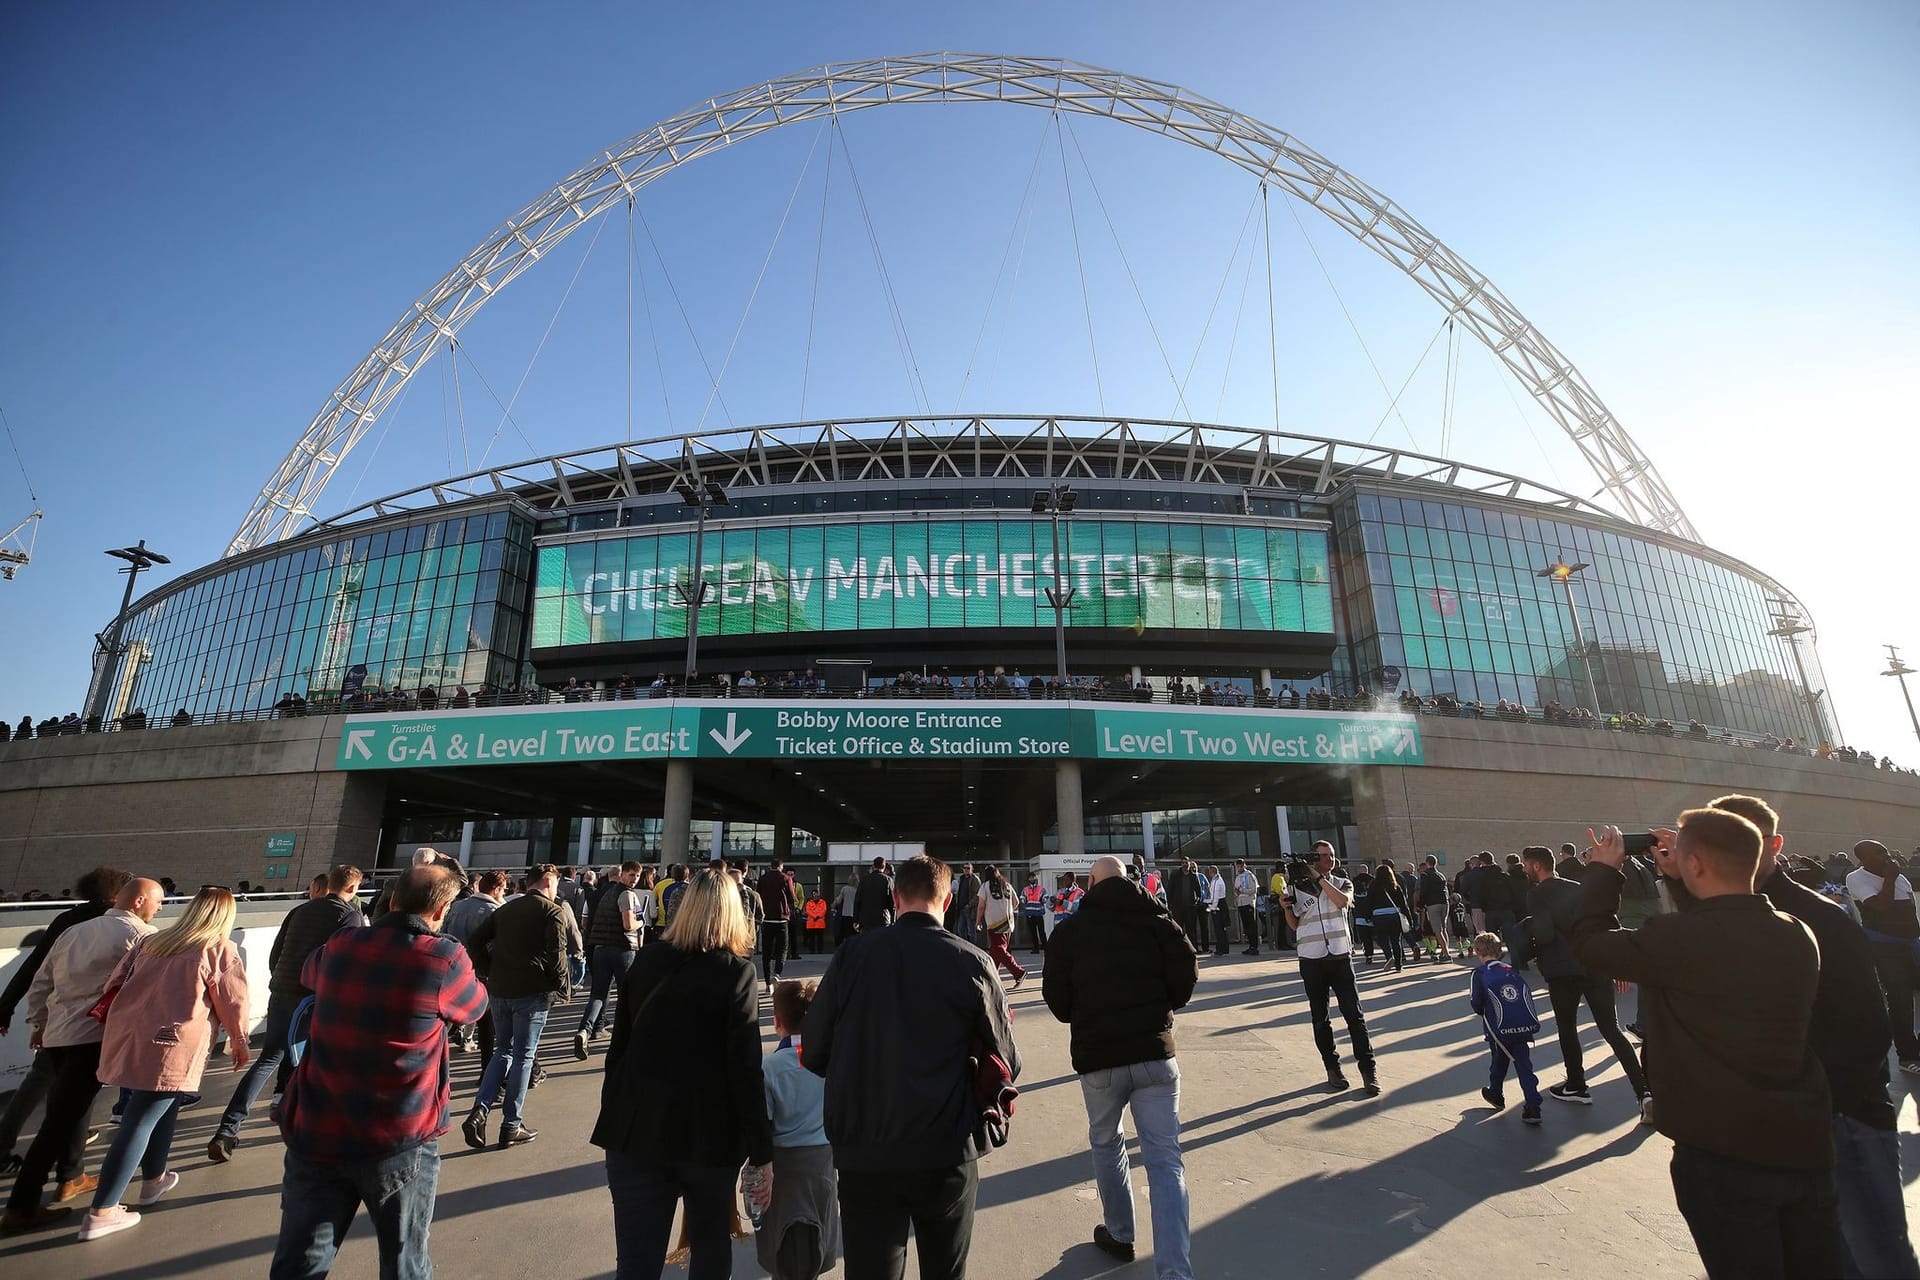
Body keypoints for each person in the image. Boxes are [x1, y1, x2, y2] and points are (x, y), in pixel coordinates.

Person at [1572, 813, 1844, 1279]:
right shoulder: (1796, 932)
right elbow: (1718, 931)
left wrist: (1603, 871)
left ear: (1694, 864)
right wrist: (1681, 882)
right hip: (1802, 1141)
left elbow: (1590, 943)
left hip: (1723, 1153)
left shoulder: (1677, 940)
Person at [1710, 796, 1920, 1279]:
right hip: (1777, 1129)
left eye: (1747, 841)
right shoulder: (1727, 917)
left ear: (1775, 845)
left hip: (1839, 1121)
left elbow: (1866, 1027)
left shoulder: (1818, 916)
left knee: (1873, 1259)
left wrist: (1818, 1107)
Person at [802, 855, 1020, 1280]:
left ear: (896, 897)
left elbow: (813, 1051)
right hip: (947, 1145)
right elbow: (1007, 1058)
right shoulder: (973, 961)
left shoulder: (852, 956)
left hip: (866, 1147)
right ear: (949, 898)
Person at [269, 864, 488, 1279]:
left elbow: (308, 973)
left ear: (390, 899)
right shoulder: (443, 957)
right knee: (404, 1260)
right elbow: (474, 1006)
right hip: (398, 1131)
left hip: (318, 1124)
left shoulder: (342, 942)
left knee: (299, 1261)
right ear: (442, 910)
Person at [590, 869, 772, 1280]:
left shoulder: (647, 961)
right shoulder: (736, 973)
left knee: (636, 1261)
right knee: (709, 1247)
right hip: (709, 1137)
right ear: (734, 915)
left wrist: (615, 1111)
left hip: (636, 1131)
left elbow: (618, 1051)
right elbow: (746, 1071)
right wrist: (762, 1152)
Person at [1042, 856, 1199, 1277]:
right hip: (1154, 1053)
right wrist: (1165, 1007)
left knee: (1107, 1143)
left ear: (1090, 882)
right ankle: (1174, 1271)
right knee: (1165, 1161)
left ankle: (1120, 1233)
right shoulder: (1155, 918)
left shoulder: (1071, 931)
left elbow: (1056, 998)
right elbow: (1186, 968)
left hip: (1099, 1058)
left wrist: (1084, 1013)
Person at [82, 887, 251, 1240]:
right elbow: (232, 1001)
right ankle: (103, 1210)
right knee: (140, 1119)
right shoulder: (219, 948)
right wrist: (239, 1039)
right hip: (172, 1041)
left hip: (130, 1034)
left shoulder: (155, 941)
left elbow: (115, 983)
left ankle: (153, 1181)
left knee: (163, 1105)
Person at [2, 877, 163, 1233]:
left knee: (74, 1109)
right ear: (138, 901)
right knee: (57, 1122)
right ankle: (21, 1205)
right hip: (93, 1037)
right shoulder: (140, 938)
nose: (160, 908)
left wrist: (39, 1022)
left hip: (58, 1034)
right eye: (158, 902)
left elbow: (43, 980)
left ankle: (70, 1176)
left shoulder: (74, 931)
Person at [211, 864, 366, 1162]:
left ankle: (227, 1129)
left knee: (269, 1057)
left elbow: (276, 952)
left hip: (283, 990)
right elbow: (350, 961)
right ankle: (308, 1127)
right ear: (353, 889)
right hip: (317, 997)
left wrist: (281, 980)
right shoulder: (350, 915)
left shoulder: (299, 911)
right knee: (319, 1061)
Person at [0, 865, 131, 1185]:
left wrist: (8, 1008)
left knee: (47, 1083)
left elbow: (34, 969)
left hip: (57, 1017)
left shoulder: (66, 920)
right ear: (116, 895)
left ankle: (63, 1157)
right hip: (89, 1023)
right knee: (73, 1091)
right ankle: (64, 1170)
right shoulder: (118, 926)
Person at [1519, 845, 1649, 1114]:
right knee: (1611, 1029)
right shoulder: (1576, 887)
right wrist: (1616, 964)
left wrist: (1528, 942)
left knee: (1567, 1028)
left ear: (1536, 866)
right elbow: (1602, 922)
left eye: (1525, 864)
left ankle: (1577, 1085)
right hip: (1594, 962)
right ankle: (1643, 1091)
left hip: (1561, 969)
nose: (1523, 869)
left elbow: (1543, 933)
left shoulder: (1537, 894)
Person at [464, 862, 582, 1149]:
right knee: (523, 1056)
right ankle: (511, 1124)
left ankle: (480, 1109)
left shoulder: (504, 909)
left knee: (502, 1050)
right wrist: (563, 987)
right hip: (532, 991)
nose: (556, 890)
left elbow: (476, 940)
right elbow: (557, 953)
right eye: (554, 884)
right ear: (545, 881)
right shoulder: (551, 911)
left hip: (500, 988)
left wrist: (489, 968)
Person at [758, 979, 841, 1280]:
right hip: (822, 1165)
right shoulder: (832, 1062)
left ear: (777, 1021)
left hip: (782, 1169)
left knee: (783, 1249)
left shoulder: (770, 1068)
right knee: (814, 1247)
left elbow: (762, 1122)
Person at [1281, 842, 1378, 1095]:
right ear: (1314, 858)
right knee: (1320, 1017)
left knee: (1354, 1015)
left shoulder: (1342, 882)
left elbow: (1342, 902)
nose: (1329, 859)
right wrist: (1285, 908)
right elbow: (1294, 925)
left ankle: (1368, 1071)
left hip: (1339, 956)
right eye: (1323, 856)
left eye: (1332, 855)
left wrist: (1319, 878)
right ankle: (1332, 1069)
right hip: (1312, 960)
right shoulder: (1299, 888)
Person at [1844, 840, 1920, 1073]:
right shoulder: (1857, 878)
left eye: (1885, 850)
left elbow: (1910, 910)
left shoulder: (1898, 877)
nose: (1885, 855)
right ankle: (1908, 1056)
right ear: (1863, 858)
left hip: (1911, 944)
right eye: (1878, 853)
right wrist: (1889, 878)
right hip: (1885, 947)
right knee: (1900, 1000)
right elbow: (1881, 907)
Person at [574, 861, 646, 1060]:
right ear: (622, 874)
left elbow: (587, 921)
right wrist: (641, 921)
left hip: (600, 948)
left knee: (598, 994)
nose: (634, 879)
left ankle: (584, 1031)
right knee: (627, 993)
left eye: (637, 876)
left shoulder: (605, 893)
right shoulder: (627, 895)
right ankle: (627, 1035)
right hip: (622, 949)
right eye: (632, 875)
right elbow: (628, 924)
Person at [1468, 932, 1542, 1125]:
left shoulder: (1480, 974)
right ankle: (1532, 1104)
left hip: (1497, 1028)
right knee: (1523, 1065)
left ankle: (1498, 1094)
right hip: (1520, 1025)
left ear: (1478, 952)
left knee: (1499, 1059)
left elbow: (1476, 1003)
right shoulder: (1511, 970)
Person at [443, 870, 506, 1059]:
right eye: (503, 890)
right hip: (481, 972)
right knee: (486, 1024)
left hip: (453, 968)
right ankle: (486, 1070)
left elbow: (444, 932)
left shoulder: (458, 906)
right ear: (496, 890)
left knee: (448, 1020)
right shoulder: (494, 911)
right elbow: (495, 946)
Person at [974, 866, 1025, 988]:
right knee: (996, 951)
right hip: (1008, 922)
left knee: (998, 949)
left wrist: (978, 921)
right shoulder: (1006, 885)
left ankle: (1018, 972)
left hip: (994, 923)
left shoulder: (985, 886)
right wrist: (1007, 910)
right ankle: (992, 977)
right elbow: (1016, 902)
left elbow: (981, 906)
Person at [757, 856, 798, 988]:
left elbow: (758, 896)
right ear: (781, 867)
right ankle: (777, 974)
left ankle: (768, 983)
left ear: (770, 866)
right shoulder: (786, 878)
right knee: (782, 949)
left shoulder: (763, 879)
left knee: (767, 952)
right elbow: (792, 898)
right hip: (781, 919)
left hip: (767, 918)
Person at [1363, 862, 1411, 972]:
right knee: (1396, 940)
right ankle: (1399, 965)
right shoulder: (1395, 886)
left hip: (1379, 915)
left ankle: (1389, 956)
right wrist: (1409, 918)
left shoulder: (1373, 886)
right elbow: (1403, 904)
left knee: (1382, 938)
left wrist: (1367, 915)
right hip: (1394, 914)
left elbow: (1368, 902)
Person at [1414, 856, 1454, 960]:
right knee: (1443, 928)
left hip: (1433, 904)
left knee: (1437, 930)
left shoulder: (1425, 875)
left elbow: (1424, 891)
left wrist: (1420, 905)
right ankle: (1444, 951)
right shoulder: (1441, 875)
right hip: (1444, 903)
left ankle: (1446, 953)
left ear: (1427, 863)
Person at [854, 856, 894, 933]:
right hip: (882, 919)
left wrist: (856, 920)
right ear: (884, 866)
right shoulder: (888, 880)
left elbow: (857, 900)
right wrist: (893, 920)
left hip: (866, 920)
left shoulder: (864, 880)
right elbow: (892, 903)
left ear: (873, 866)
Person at [1232, 860, 1260, 956]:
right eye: (1237, 866)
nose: (1239, 868)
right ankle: (1250, 946)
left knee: (1251, 926)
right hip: (1241, 903)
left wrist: (1242, 891)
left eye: (1240, 866)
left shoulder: (1249, 875)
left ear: (1244, 865)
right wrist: (1236, 892)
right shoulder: (1238, 876)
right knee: (1246, 927)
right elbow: (1236, 889)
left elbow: (1253, 890)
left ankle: (1254, 946)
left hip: (1248, 903)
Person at [1204, 865, 1229, 957]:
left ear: (1212, 872)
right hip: (1221, 903)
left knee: (1219, 928)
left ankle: (1221, 948)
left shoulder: (1216, 881)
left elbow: (1215, 896)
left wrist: (1212, 907)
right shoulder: (1218, 879)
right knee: (1222, 928)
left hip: (1218, 905)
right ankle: (1225, 948)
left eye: (1209, 871)